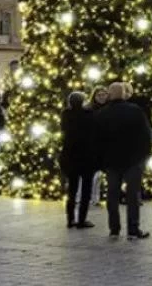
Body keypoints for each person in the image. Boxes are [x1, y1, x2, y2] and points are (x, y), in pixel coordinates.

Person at [94, 82, 152, 240]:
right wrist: (143, 156)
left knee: (112, 195)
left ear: (110, 95)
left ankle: (114, 229)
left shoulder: (102, 114)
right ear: (124, 93)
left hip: (111, 161)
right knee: (133, 195)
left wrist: (101, 161)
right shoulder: (135, 111)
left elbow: (96, 141)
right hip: (133, 160)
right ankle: (133, 230)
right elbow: (146, 136)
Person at [60, 91, 98, 229]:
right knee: (86, 191)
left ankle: (70, 219)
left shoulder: (66, 114)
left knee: (72, 190)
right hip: (86, 157)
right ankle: (82, 220)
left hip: (70, 156)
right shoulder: (89, 115)